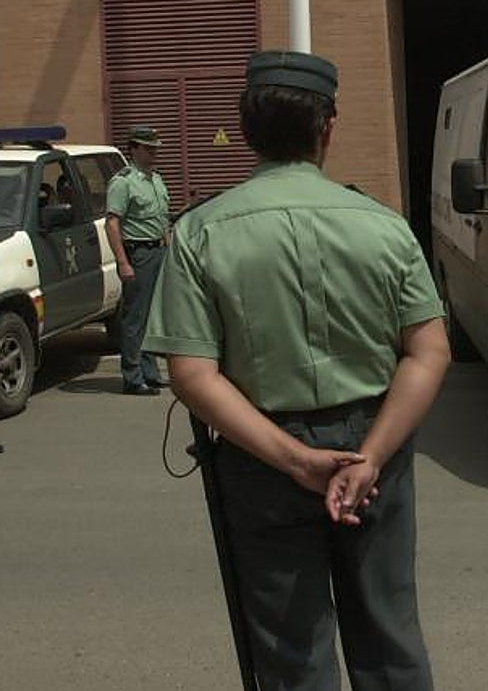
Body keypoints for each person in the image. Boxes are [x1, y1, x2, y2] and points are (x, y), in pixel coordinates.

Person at [142, 50, 451, 691]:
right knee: (389, 634)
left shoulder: (201, 232)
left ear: (246, 132)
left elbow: (191, 374)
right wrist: (370, 457)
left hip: (262, 456)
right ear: (327, 128)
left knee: (291, 650)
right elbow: (429, 352)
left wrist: (294, 460)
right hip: (374, 445)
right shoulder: (385, 227)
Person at [105, 125, 170, 396]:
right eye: (148, 148)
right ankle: (133, 377)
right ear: (133, 149)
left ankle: (150, 373)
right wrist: (123, 262)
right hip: (138, 253)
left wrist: (169, 246)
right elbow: (112, 223)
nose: (154, 152)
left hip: (158, 251)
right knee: (135, 318)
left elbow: (161, 219)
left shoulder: (155, 179)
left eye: (155, 148)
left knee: (152, 318)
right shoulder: (123, 182)